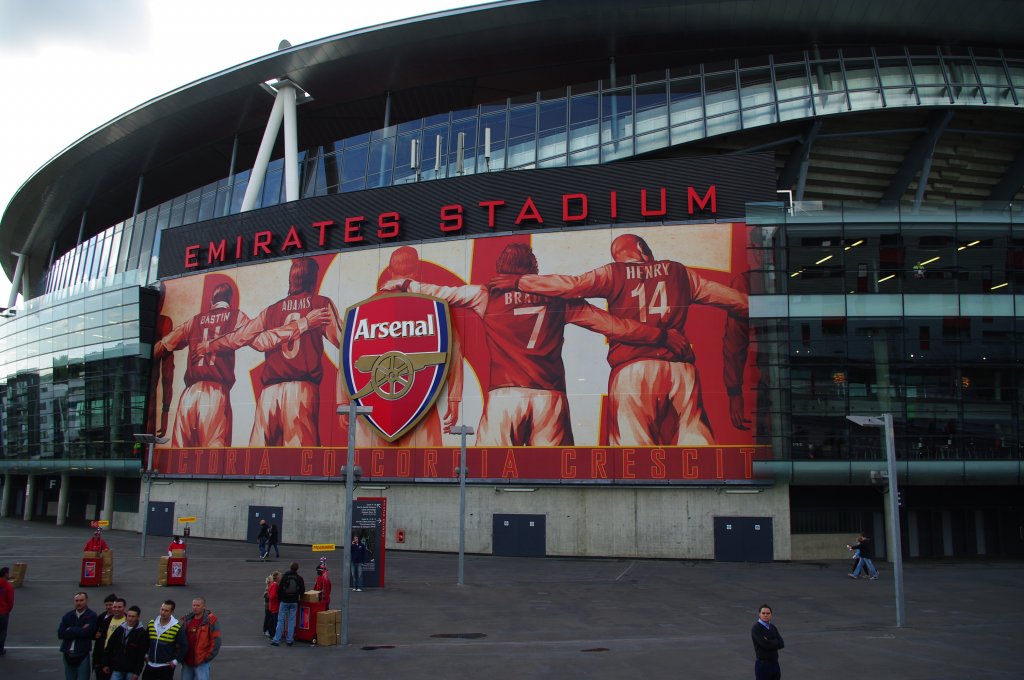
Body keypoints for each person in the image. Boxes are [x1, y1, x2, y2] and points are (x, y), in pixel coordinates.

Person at [384, 242, 690, 445]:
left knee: (486, 473)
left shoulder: (484, 294)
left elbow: (441, 292)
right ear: (533, 272)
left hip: (504, 396)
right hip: (550, 397)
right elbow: (615, 326)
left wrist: (406, 284)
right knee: (553, 473)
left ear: (501, 270)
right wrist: (661, 336)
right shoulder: (558, 299)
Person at [490, 233, 749, 446]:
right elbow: (736, 302)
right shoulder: (680, 273)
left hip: (632, 368)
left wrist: (520, 282)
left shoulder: (614, 273)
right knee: (695, 434)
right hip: (681, 368)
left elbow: (571, 285)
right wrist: (776, 308)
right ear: (643, 251)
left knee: (632, 447)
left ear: (622, 256)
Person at [204, 257, 343, 447]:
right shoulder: (320, 304)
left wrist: (211, 345)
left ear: (291, 280)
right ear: (313, 280)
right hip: (301, 389)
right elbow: (345, 345)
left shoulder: (271, 311)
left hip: (268, 393)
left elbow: (239, 337)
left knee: (257, 458)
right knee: (299, 461)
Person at [153, 281, 251, 447]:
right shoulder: (236, 316)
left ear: (211, 302)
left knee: (181, 455)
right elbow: (255, 332)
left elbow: (163, 345)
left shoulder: (195, 320)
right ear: (229, 300)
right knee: (214, 456)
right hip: (215, 392)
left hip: (189, 394)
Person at [58, 591, 99, 680]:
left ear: (86, 601)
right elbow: (61, 634)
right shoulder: (68, 615)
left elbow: (87, 633)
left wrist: (71, 629)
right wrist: (80, 629)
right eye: (76, 601)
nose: (79, 603)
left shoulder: (91, 615)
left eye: (81, 600)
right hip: (67, 653)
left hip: (82, 653)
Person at [144, 600, 187, 679]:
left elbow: (184, 646)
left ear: (172, 612)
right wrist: (145, 654)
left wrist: (176, 661)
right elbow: (146, 641)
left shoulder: (176, 628)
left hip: (165, 667)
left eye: (166, 610)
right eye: (162, 609)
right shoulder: (151, 623)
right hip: (150, 665)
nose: (163, 612)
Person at [102, 605, 146, 680]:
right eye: (129, 616)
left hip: (131, 671)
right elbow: (109, 647)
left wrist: (137, 672)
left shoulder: (141, 633)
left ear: (138, 617)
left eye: (133, 616)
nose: (130, 619)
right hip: (117, 668)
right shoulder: (120, 629)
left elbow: (141, 655)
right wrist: (105, 664)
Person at [181, 597, 221, 680]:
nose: (195, 607)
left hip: (202, 661)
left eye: (198, 605)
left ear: (204, 607)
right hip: (187, 661)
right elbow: (181, 639)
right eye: (194, 605)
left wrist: (207, 657)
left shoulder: (211, 621)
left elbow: (216, 641)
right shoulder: (187, 620)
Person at [271, 562, 304, 646]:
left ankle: (276, 640)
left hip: (284, 601)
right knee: (291, 620)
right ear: (297, 569)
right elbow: (302, 591)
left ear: (290, 567)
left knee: (281, 620)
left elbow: (279, 590)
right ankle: (289, 640)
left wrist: (281, 599)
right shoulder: (299, 578)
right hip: (294, 601)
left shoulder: (285, 577)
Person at [94, 596, 126, 680]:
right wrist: (97, 661)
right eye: (115, 607)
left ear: (124, 608)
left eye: (119, 607)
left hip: (121, 659)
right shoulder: (105, 621)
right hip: (106, 657)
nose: (116, 609)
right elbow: (99, 641)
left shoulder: (129, 621)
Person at [751, 603, 784, 680]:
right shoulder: (756, 628)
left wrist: (769, 641)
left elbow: (781, 643)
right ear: (759, 614)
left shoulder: (773, 627)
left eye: (768, 613)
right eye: (763, 613)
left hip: (775, 664)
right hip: (763, 665)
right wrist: (775, 641)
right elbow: (765, 645)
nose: (765, 615)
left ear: (771, 615)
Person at [262, 572, 281, 637]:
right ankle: (265, 630)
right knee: (268, 617)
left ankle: (269, 630)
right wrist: (270, 596)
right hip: (268, 605)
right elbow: (265, 594)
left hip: (270, 604)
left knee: (270, 618)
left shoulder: (272, 585)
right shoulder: (270, 586)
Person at [0, 566, 13, 657]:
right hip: (3, 612)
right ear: (5, 574)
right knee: (2, 631)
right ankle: (0, 649)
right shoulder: (8, 586)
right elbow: (10, 601)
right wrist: (8, 609)